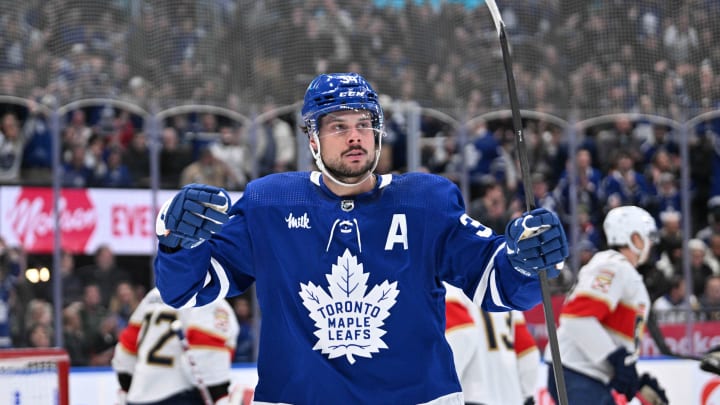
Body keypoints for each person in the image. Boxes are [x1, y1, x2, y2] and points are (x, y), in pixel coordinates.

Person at [152, 72, 568, 404]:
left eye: (364, 124)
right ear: (312, 139)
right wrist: (178, 241)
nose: (355, 136)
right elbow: (185, 291)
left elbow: (500, 285)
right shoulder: (270, 203)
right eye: (338, 126)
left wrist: (526, 259)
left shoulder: (427, 202)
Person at [546, 205, 667, 405]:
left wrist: (632, 378)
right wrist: (617, 359)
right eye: (648, 237)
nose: (650, 245)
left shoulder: (620, 269)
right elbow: (577, 319)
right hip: (577, 373)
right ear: (635, 238)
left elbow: (610, 333)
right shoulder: (612, 265)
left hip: (586, 375)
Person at [111, 287, 239, 405]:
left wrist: (127, 387)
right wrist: (219, 396)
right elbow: (206, 356)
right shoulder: (209, 299)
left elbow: (126, 350)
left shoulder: (155, 294)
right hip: (178, 395)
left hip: (137, 396)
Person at [444, 282, 539, 405]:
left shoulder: (449, 285)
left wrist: (446, 387)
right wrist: (527, 395)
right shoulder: (502, 290)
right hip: (512, 398)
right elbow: (527, 352)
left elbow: (461, 334)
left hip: (472, 395)